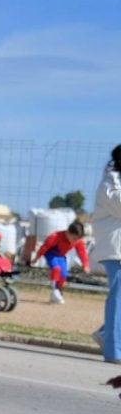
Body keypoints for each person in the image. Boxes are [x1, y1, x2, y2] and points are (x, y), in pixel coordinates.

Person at [93, 145, 121, 362]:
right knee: (118, 298)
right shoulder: (111, 183)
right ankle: (114, 350)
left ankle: (105, 333)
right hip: (116, 248)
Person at [35, 221, 91, 304]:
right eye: (74, 238)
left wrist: (85, 264)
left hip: (61, 256)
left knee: (63, 275)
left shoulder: (78, 241)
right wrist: (37, 257)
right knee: (56, 268)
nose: (75, 241)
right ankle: (54, 290)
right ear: (68, 233)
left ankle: (58, 291)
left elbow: (82, 253)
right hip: (51, 254)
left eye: (77, 239)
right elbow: (44, 247)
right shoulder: (55, 236)